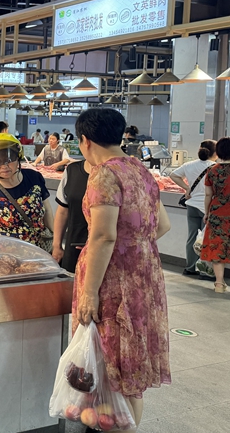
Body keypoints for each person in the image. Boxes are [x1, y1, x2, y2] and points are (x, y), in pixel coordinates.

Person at [73, 109, 171, 433]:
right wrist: (135, 248)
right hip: (143, 277)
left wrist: (90, 292)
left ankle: (117, 428)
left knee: (109, 364)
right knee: (129, 365)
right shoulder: (140, 170)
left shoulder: (104, 175)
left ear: (85, 141)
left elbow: (104, 235)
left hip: (111, 282)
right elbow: (163, 225)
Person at [0, 133, 54, 249]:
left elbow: (47, 210)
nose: (4, 166)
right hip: (8, 254)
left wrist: (55, 240)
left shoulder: (34, 178)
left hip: (40, 249)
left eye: (8, 159)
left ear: (18, 157)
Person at [169, 140, 217, 276]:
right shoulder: (215, 167)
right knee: (205, 239)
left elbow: (173, 175)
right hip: (207, 207)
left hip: (192, 205)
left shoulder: (189, 165)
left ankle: (190, 267)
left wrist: (187, 188)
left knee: (192, 238)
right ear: (215, 153)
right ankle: (204, 270)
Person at [200, 137, 230, 292]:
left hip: (217, 212)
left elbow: (208, 195)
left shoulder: (212, 170)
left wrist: (207, 213)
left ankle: (219, 283)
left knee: (218, 246)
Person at [52, 159, 91, 272]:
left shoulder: (118, 173)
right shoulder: (72, 170)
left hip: (105, 252)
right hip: (74, 245)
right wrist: (57, 246)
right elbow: (63, 210)